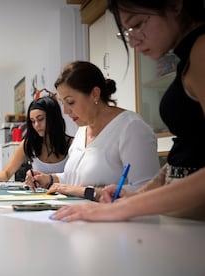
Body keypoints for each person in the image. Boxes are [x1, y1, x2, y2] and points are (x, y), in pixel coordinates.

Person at [51, 0, 205, 222]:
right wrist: (134, 197)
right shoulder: (188, 58)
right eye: (126, 31)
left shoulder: (201, 49)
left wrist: (120, 208)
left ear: (175, 5)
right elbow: (183, 157)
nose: (132, 41)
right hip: (180, 214)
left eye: (138, 24)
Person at [25, 61, 160, 200]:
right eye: (62, 103)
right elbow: (74, 178)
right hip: (78, 216)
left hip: (114, 219)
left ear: (95, 94)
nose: (65, 111)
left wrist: (86, 192)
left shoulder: (132, 128)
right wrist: (48, 179)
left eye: (70, 102)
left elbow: (148, 190)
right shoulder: (83, 129)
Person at [0, 96, 73, 182]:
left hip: (65, 194)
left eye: (40, 119)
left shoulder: (72, 144)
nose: (36, 125)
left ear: (53, 118)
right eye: (32, 121)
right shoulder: (29, 144)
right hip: (39, 195)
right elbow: (7, 173)